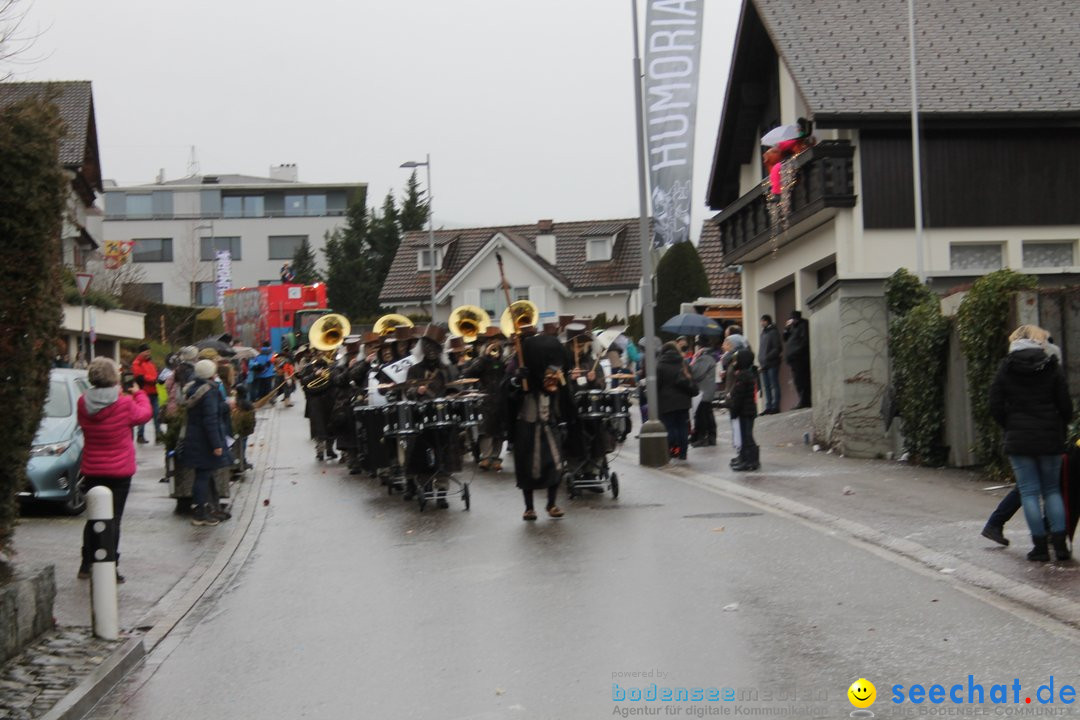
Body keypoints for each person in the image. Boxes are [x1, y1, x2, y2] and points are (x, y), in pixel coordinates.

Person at [988, 324, 1073, 561]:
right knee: (1052, 490)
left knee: (1029, 492)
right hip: (1049, 438)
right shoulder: (1050, 365)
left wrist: (1010, 424)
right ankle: (1060, 545)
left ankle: (1040, 548)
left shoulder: (1006, 368)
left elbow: (994, 404)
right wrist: (1061, 425)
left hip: (1019, 439)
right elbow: (1065, 403)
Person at [76, 358, 153, 581]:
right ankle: (110, 565)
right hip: (119, 471)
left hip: (92, 469)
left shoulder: (83, 402)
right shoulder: (124, 403)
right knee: (113, 520)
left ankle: (85, 564)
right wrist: (138, 394)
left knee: (93, 517)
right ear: (114, 378)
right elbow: (144, 415)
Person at [506, 332, 575, 520]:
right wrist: (518, 381)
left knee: (555, 464)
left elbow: (563, 391)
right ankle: (529, 508)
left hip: (549, 422)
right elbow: (508, 392)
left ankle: (551, 504)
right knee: (526, 467)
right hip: (526, 425)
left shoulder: (553, 364)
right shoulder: (519, 363)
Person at [180, 359, 232, 526]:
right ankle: (200, 513)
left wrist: (224, 406)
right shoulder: (209, 391)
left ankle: (204, 509)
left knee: (202, 475)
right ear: (211, 373)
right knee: (203, 476)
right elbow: (210, 420)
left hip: (194, 438)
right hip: (205, 441)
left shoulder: (193, 388)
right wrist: (216, 445)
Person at [462, 327, 509, 471]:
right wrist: (485, 358)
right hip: (486, 398)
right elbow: (468, 373)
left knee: (499, 431)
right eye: (491, 341)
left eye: (496, 341)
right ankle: (486, 456)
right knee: (486, 430)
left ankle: (496, 457)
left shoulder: (503, 362)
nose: (495, 344)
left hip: (501, 399)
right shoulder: (481, 361)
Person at [656, 341, 697, 460]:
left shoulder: (660, 365)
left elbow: (657, 385)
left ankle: (671, 450)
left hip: (666, 402)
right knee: (683, 427)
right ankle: (683, 453)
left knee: (670, 427)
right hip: (683, 401)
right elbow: (691, 379)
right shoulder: (683, 363)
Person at [726, 347, 761, 471]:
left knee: (747, 437)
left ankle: (751, 461)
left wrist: (734, 409)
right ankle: (747, 459)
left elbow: (739, 396)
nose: (735, 362)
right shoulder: (746, 374)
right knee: (746, 436)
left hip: (745, 411)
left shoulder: (743, 375)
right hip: (747, 411)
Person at [131, 343, 161, 443]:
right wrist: (153, 379)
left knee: (157, 414)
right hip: (144, 393)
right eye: (147, 351)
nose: (149, 353)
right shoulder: (137, 363)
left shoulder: (150, 364)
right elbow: (139, 377)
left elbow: (154, 375)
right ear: (141, 352)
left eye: (149, 351)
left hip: (153, 392)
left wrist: (158, 379)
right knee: (144, 415)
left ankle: (158, 435)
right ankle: (140, 435)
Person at [690, 337, 717, 447]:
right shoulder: (709, 357)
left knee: (702, 415)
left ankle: (703, 438)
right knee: (708, 414)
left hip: (703, 392)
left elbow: (696, 373)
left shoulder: (704, 358)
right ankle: (710, 437)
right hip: (707, 391)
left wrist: (693, 362)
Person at [783, 310, 811, 409]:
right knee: (797, 380)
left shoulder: (803, 325)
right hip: (793, 358)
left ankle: (805, 400)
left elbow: (805, 341)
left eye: (793, 319)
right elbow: (785, 338)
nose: (792, 321)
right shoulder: (792, 327)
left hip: (800, 358)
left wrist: (796, 351)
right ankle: (802, 400)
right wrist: (786, 329)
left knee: (802, 380)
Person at [758, 314, 782, 414]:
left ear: (767, 321)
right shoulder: (763, 333)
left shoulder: (773, 332)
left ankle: (775, 406)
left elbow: (778, 348)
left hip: (772, 363)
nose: (761, 323)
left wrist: (767, 357)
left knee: (774, 384)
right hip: (764, 364)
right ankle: (768, 406)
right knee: (766, 386)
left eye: (762, 321)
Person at [232, 385, 256, 472]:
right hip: (244, 430)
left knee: (239, 446)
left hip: (240, 430)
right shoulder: (247, 404)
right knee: (242, 446)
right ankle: (242, 463)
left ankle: (240, 463)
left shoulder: (238, 403)